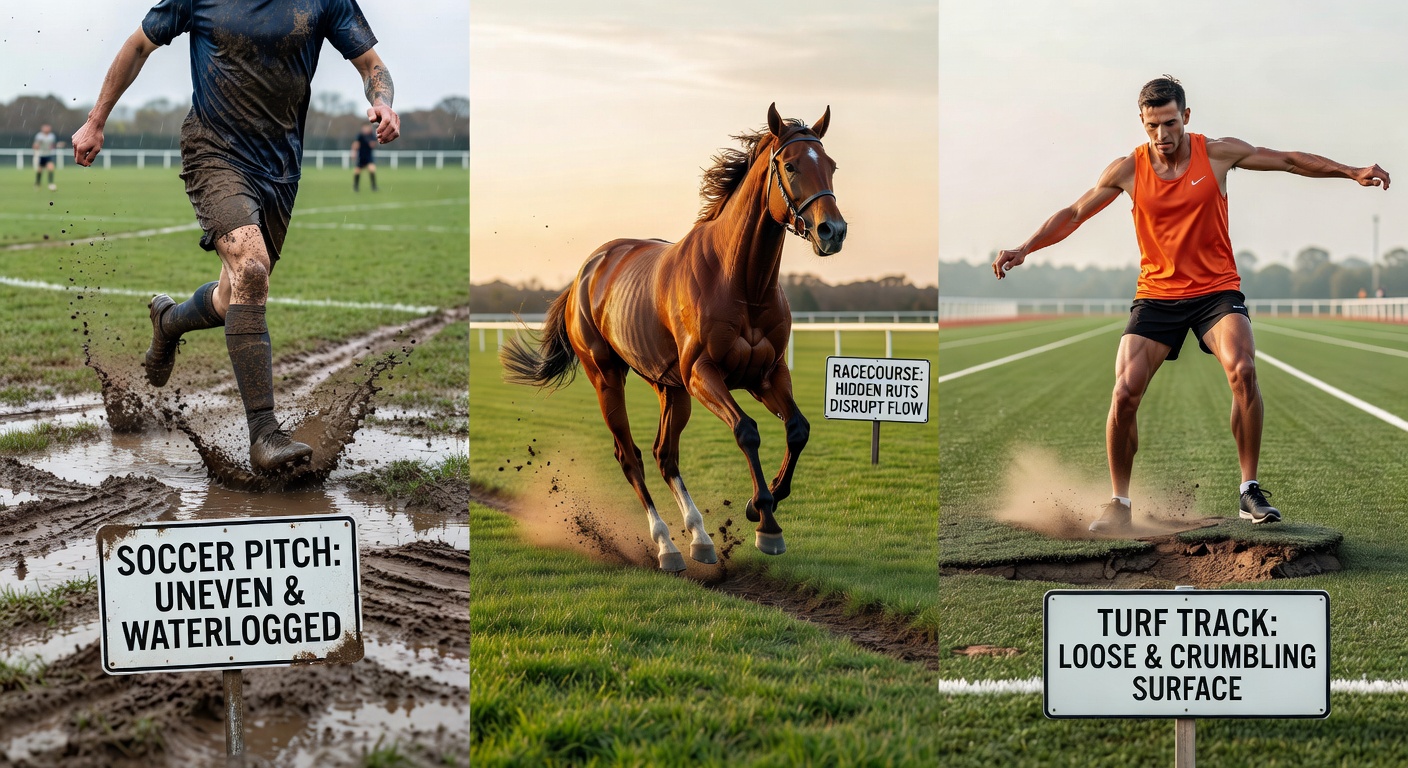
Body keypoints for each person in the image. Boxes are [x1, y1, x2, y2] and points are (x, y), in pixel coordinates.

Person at [992, 75, 1389, 532]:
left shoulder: (1216, 153)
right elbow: (1075, 214)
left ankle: (1248, 490)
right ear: (1142, 124)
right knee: (1124, 393)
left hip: (1216, 292)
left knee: (1243, 369)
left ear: (1185, 116)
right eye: (1152, 126)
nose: (1162, 135)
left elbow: (1289, 161)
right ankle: (1120, 501)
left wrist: (1351, 170)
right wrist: (1025, 247)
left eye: (1169, 123)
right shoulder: (1127, 169)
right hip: (1157, 295)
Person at [70, 0, 401, 473]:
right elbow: (139, 44)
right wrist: (97, 118)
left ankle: (169, 321)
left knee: (235, 297)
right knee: (251, 268)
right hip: (214, 152)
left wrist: (383, 101)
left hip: (281, 169)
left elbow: (371, 64)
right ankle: (264, 434)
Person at [33, 124, 62, 190]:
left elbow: (52, 145)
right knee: (40, 170)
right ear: (42, 129)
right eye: (45, 128)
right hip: (41, 155)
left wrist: (55, 146)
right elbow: (35, 145)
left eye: (48, 128)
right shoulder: (39, 136)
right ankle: (37, 183)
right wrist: (37, 146)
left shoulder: (51, 136)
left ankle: (51, 184)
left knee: (51, 168)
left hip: (48, 155)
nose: (47, 129)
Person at [351, 123, 377, 192]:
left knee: (372, 169)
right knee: (357, 171)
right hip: (361, 156)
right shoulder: (360, 136)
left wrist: (370, 142)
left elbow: (373, 145)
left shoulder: (372, 136)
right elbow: (355, 144)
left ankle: (374, 187)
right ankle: (356, 187)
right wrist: (353, 153)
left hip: (368, 156)